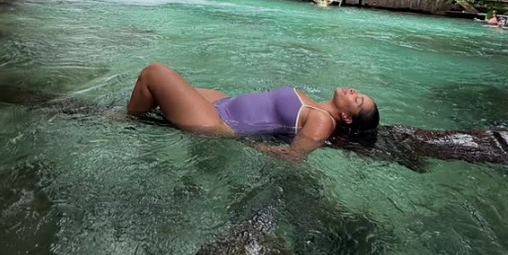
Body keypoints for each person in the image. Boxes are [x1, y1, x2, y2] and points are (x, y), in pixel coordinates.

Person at [127, 63, 380, 162]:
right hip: (223, 102)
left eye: (357, 100)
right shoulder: (315, 106)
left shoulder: (323, 120)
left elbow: (292, 157)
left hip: (219, 122)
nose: (353, 91)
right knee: (162, 90)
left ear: (346, 117)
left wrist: (250, 145)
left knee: (155, 73)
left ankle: (127, 122)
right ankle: (138, 116)